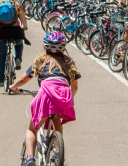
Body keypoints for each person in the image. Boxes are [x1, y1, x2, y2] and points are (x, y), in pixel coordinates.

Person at [8, 31, 80, 166]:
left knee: (32, 128)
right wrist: (67, 100)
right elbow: (74, 88)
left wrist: (13, 86)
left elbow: (24, 79)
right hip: (64, 95)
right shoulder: (69, 62)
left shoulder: (41, 60)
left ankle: (30, 158)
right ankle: (58, 155)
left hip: (46, 93)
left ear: (45, 47)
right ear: (63, 47)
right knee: (56, 121)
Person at [0, 0, 29, 87]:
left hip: (1, 31)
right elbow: (23, 17)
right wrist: (25, 26)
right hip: (14, 30)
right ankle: (18, 58)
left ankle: (0, 80)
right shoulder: (16, 4)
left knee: (1, 56)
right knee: (19, 41)